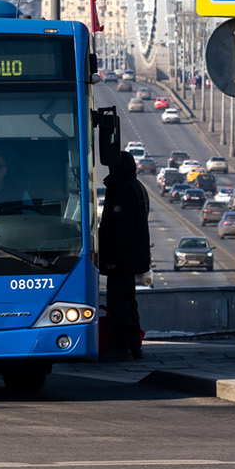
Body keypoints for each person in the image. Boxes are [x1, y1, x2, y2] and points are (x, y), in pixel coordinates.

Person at [98, 150, 151, 362]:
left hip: (122, 259)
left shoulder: (123, 189)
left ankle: (122, 348)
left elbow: (120, 229)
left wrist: (110, 258)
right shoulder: (135, 186)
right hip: (130, 258)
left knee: (119, 302)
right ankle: (133, 345)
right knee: (129, 301)